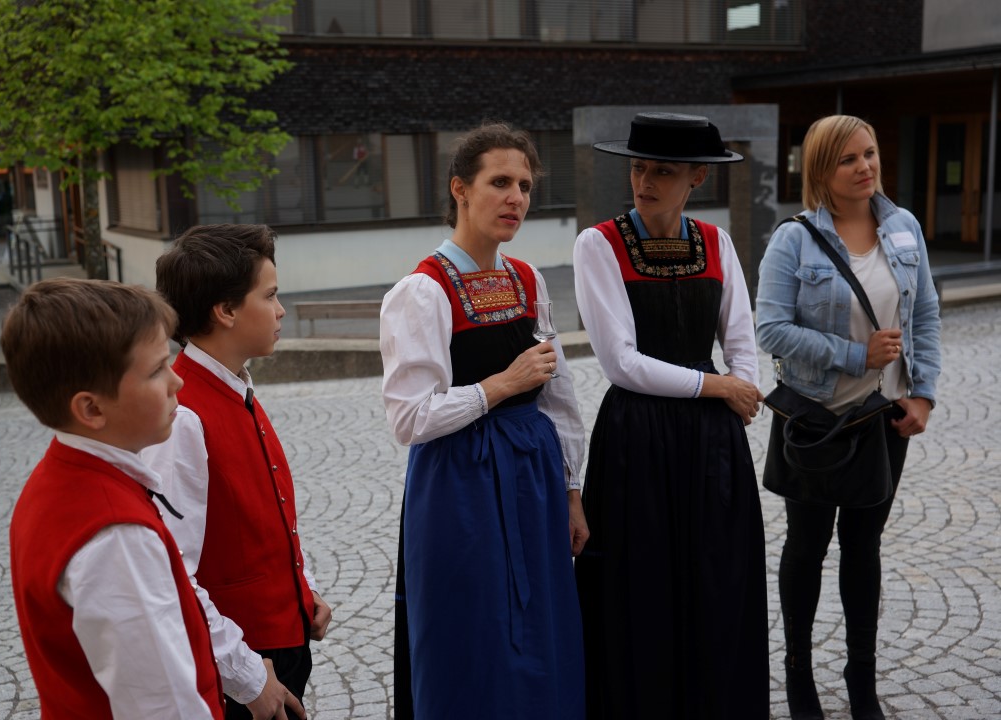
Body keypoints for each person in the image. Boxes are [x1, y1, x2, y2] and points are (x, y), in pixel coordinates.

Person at [380, 122, 588, 719]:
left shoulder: (527, 279)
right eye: (500, 182)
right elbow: (410, 416)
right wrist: (500, 386)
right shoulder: (421, 292)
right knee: (473, 629)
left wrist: (572, 491)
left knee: (540, 626)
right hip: (460, 484)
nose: (515, 197)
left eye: (524, 186)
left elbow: (559, 395)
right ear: (460, 189)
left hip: (534, 476)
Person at [572, 112, 769, 718]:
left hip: (711, 439)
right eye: (638, 168)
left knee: (718, 576)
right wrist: (721, 387)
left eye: (662, 171)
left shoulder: (717, 242)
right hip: (638, 436)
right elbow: (622, 363)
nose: (644, 182)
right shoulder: (599, 245)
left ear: (697, 178)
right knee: (643, 583)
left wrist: (743, 387)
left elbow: (743, 341)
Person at [756, 115, 941, 720]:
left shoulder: (904, 227)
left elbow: (924, 315)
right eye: (848, 159)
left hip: (884, 418)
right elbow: (771, 329)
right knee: (807, 545)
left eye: (870, 153)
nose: (865, 167)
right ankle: (798, 675)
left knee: (865, 547)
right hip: (817, 419)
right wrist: (855, 354)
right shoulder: (794, 240)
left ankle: (861, 678)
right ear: (821, 169)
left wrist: (923, 393)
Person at [3, 277, 225, 719]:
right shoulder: (116, 535)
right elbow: (162, 705)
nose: (177, 381)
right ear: (91, 409)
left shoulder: (56, 480)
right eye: (157, 370)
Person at [143, 224, 331, 720]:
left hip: (280, 642)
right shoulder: (184, 416)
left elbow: (263, 517)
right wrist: (246, 677)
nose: (281, 309)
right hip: (245, 662)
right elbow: (173, 572)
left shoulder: (236, 386)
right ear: (225, 311)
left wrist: (303, 586)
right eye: (269, 296)